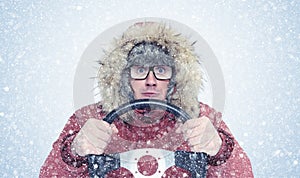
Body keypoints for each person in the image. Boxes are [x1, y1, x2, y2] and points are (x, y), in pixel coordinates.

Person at [40, 21, 253, 177]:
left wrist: (219, 149)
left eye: (161, 70)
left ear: (175, 76)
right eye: (140, 69)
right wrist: (74, 151)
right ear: (123, 76)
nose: (151, 81)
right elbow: (49, 174)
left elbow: (243, 174)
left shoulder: (200, 118)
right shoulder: (91, 120)